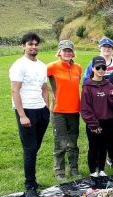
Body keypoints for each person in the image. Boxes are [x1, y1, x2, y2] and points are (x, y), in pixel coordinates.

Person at [9, 32, 49, 197]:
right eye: (30, 44)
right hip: (26, 111)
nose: (33, 47)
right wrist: (22, 115)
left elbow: (44, 88)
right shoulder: (19, 65)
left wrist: (47, 107)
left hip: (41, 111)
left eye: (36, 44)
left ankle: (32, 179)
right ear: (23, 46)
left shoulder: (42, 65)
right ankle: (30, 185)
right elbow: (15, 90)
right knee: (30, 149)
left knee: (35, 148)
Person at [47, 40, 82, 181]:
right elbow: (39, 81)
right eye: (64, 50)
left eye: (69, 50)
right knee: (60, 143)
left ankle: (74, 169)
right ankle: (59, 171)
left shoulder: (78, 68)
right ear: (59, 52)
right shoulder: (51, 67)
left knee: (73, 143)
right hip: (58, 111)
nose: (67, 53)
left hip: (74, 110)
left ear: (73, 52)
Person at [80, 56, 113, 177]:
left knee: (104, 146)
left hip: (108, 121)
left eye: (103, 67)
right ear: (93, 68)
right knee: (93, 147)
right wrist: (93, 124)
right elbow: (85, 108)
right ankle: (92, 171)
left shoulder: (108, 84)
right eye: (98, 67)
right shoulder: (87, 86)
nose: (101, 70)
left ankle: (101, 169)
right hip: (94, 122)